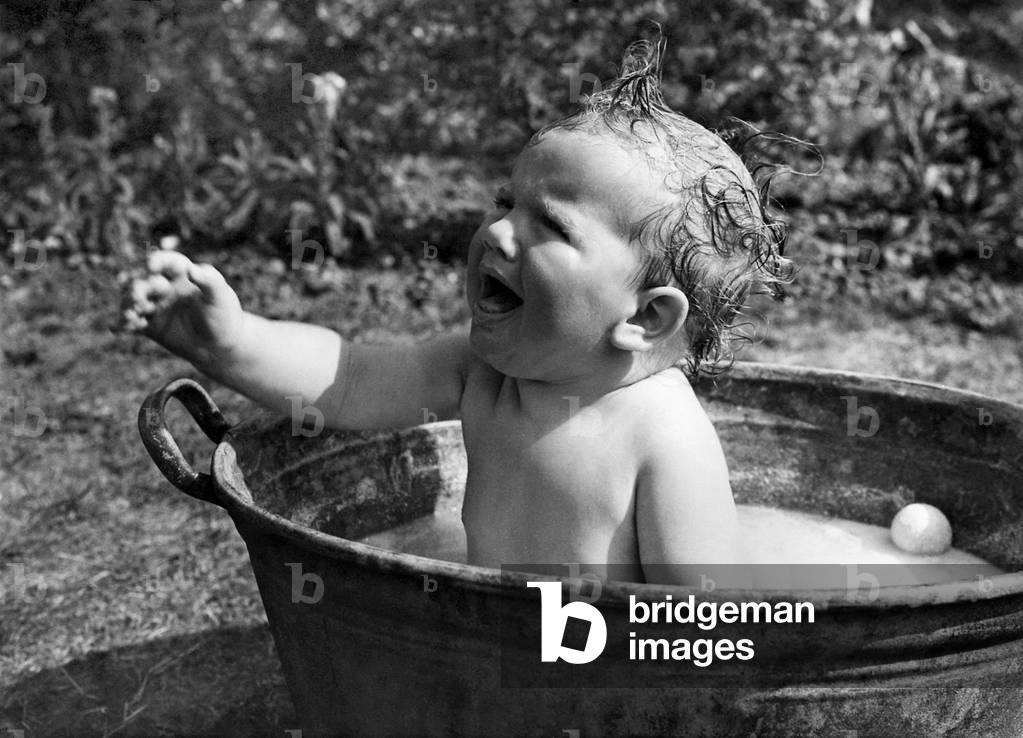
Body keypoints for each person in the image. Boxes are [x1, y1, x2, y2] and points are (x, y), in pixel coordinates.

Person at [123, 38, 795, 586]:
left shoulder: (664, 439)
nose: (498, 232)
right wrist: (229, 340)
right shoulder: (481, 369)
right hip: (497, 650)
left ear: (645, 319)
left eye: (550, 227)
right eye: (506, 203)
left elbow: (709, 617)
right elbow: (350, 380)